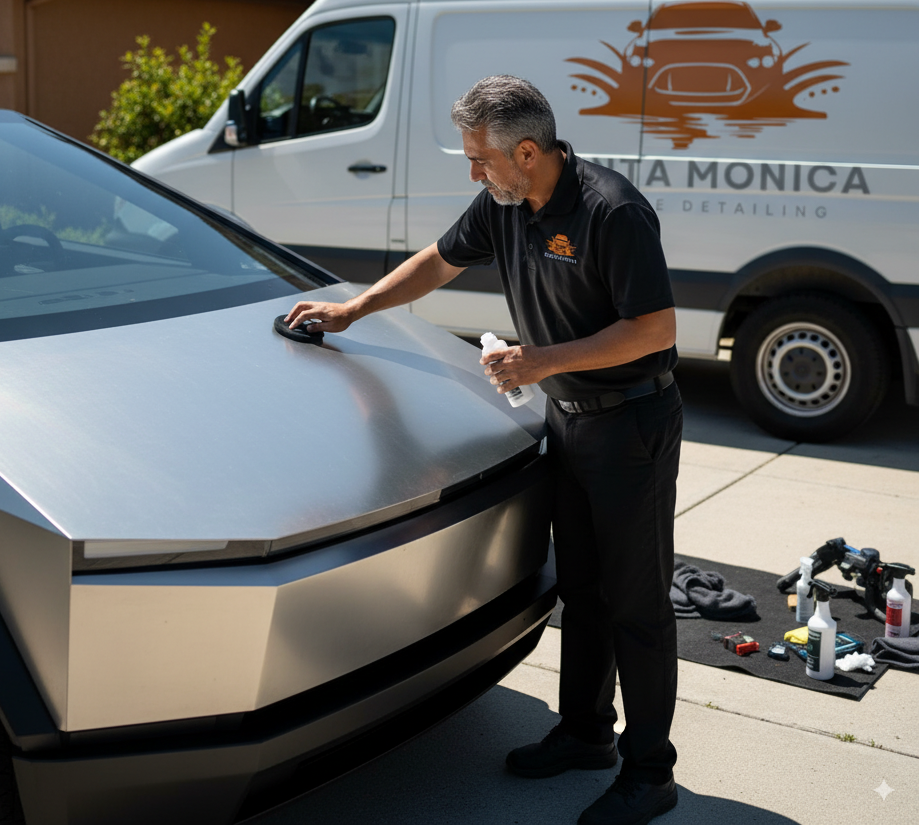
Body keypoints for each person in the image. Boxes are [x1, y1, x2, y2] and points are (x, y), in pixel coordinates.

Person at [285, 75, 682, 825]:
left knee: (636, 605)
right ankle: (586, 734)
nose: (474, 171)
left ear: (526, 152)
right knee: (584, 590)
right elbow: (438, 261)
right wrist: (354, 309)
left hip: (632, 424)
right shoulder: (506, 205)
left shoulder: (611, 211)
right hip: (569, 420)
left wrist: (540, 361)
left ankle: (650, 773)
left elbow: (654, 330)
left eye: (480, 159)